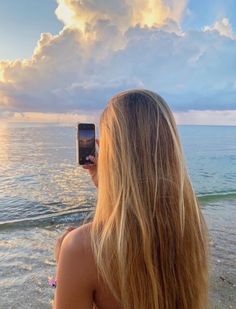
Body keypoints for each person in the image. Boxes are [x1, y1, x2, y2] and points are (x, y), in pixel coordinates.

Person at [53, 89, 208, 309]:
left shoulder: (81, 248)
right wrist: (105, 184)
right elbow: (137, 220)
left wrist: (62, 271)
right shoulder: (190, 228)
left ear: (111, 154)